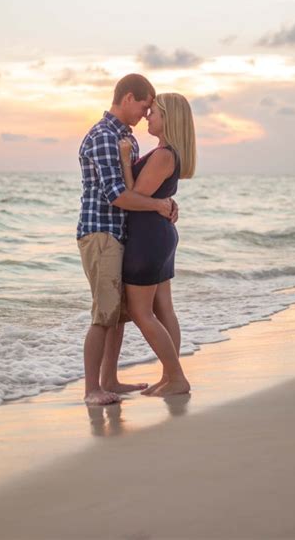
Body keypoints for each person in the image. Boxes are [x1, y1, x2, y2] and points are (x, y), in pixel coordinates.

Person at [77, 74, 178, 405]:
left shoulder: (127, 140)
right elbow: (118, 195)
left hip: (121, 234)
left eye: (152, 109)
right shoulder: (104, 137)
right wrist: (160, 205)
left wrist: (162, 202)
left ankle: (111, 380)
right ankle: (92, 389)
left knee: (118, 315)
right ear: (129, 98)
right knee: (104, 313)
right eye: (144, 106)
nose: (146, 114)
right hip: (102, 232)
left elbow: (137, 186)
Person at [118, 93, 196, 396]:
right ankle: (170, 377)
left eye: (154, 113)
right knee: (164, 310)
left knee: (141, 312)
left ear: (168, 119)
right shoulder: (166, 153)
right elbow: (151, 196)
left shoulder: (164, 155)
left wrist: (125, 160)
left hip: (148, 237)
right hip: (158, 235)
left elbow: (132, 197)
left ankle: (176, 377)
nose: (148, 117)